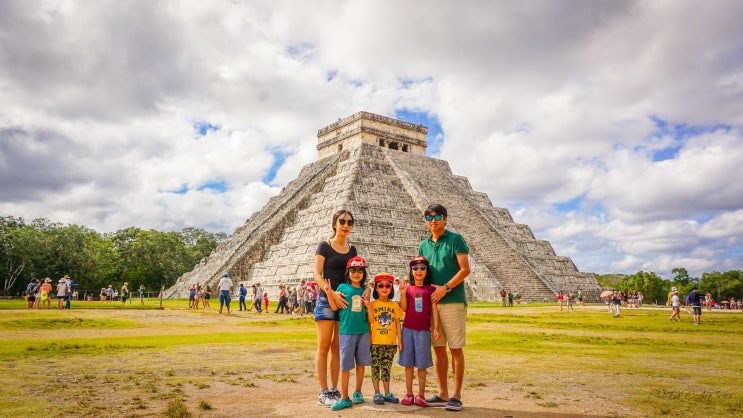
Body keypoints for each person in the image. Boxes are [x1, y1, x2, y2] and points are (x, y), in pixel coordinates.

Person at [418, 204, 470, 412]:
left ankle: (456, 395)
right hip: (432, 303)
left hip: (453, 301)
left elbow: (465, 269)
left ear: (445, 219)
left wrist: (445, 288)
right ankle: (442, 393)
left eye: (437, 216)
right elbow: (421, 273)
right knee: (438, 349)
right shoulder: (424, 245)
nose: (433, 220)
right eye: (429, 217)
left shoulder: (456, 239)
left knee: (455, 348)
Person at [313, 209, 358, 407]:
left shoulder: (352, 250)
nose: (345, 225)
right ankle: (323, 390)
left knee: (337, 347)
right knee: (323, 346)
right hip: (326, 300)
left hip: (345, 304)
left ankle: (333, 388)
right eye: (342, 221)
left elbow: (355, 276)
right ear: (334, 224)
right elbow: (317, 274)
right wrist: (330, 293)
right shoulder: (324, 246)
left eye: (349, 222)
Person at [325, 256, 371, 411]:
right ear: (348, 272)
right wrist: (329, 293)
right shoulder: (343, 288)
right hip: (346, 332)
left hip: (363, 331)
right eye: (353, 270)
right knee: (345, 367)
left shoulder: (365, 290)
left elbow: (368, 311)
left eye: (360, 270)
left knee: (361, 364)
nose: (356, 273)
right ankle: (345, 397)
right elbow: (335, 307)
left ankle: (357, 391)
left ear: (364, 273)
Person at [398, 256, 439, 407]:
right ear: (411, 271)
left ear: (427, 271)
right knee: (408, 364)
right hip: (408, 329)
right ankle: (409, 393)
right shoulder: (408, 289)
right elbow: (403, 308)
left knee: (422, 365)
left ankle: (421, 394)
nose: (419, 271)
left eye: (422, 268)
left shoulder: (430, 289)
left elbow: (434, 310)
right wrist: (402, 294)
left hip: (423, 331)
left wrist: (435, 328)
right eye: (415, 268)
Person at [364, 272, 402, 406]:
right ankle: (377, 393)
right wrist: (368, 308)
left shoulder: (395, 306)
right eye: (380, 286)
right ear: (376, 288)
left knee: (386, 369)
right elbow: (370, 321)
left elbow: (398, 324)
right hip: (376, 341)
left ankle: (387, 393)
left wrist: (400, 342)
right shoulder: (373, 304)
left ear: (391, 288)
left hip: (390, 343)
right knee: (375, 368)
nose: (384, 288)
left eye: (387, 286)